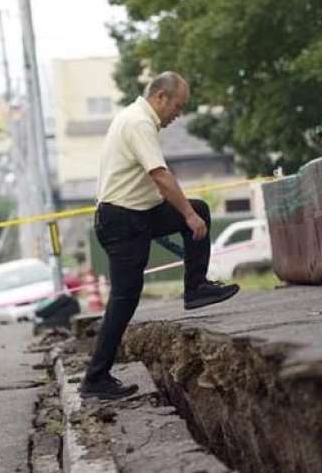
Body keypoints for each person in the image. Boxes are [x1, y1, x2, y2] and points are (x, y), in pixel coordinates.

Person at [80, 71, 240, 400]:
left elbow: (156, 183)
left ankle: (195, 287)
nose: (178, 114)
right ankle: (95, 378)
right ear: (160, 98)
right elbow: (161, 176)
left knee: (200, 209)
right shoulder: (139, 122)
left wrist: (190, 213)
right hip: (122, 220)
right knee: (125, 298)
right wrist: (187, 215)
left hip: (140, 212)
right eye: (177, 107)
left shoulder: (136, 118)